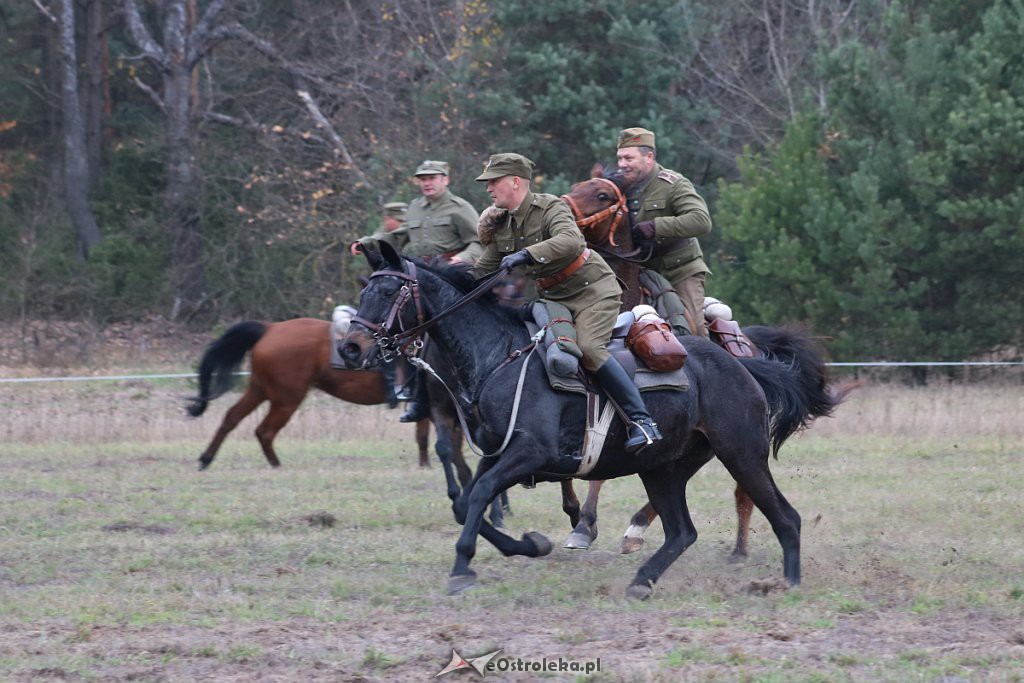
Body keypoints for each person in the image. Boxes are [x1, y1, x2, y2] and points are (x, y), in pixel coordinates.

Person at [472, 152, 661, 454]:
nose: (488, 189)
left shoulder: (550, 206)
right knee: (547, 352)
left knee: (588, 349)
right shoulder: (505, 225)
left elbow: (571, 241)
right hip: (554, 298)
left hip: (593, 291)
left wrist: (527, 254)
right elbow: (482, 269)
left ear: (515, 182)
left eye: (493, 182)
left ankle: (642, 422)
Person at [352, 161, 484, 422]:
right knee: (398, 333)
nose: (427, 182)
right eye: (422, 178)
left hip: (451, 279)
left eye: (432, 177)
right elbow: (399, 235)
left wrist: (460, 259)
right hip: (420, 279)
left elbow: (480, 242)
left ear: (445, 179)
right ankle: (418, 398)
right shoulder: (414, 207)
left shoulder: (460, 208)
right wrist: (366, 243)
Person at [616, 127, 713, 338]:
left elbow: (701, 220)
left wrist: (655, 226)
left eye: (628, 158)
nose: (622, 164)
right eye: (620, 158)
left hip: (678, 269)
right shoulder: (616, 188)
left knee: (694, 332)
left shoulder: (672, 184)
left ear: (648, 157)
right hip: (636, 271)